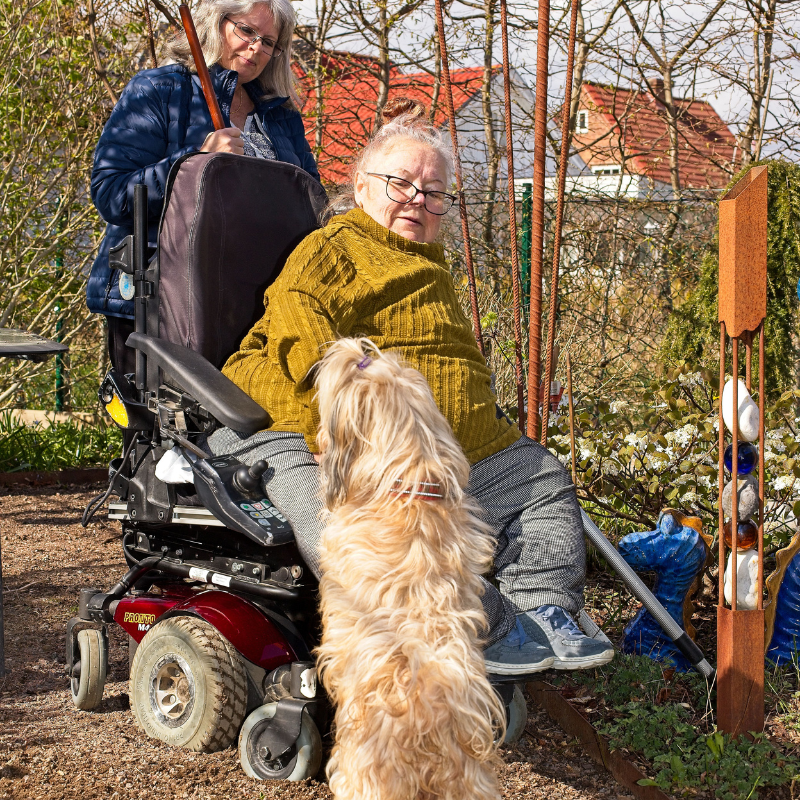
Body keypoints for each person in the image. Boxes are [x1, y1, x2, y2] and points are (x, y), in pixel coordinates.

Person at [209, 98, 614, 675]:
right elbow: (307, 339)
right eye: (401, 184)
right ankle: (486, 623)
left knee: (541, 478)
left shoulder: (429, 264)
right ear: (361, 185)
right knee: (374, 529)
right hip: (347, 437)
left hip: (459, 450)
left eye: (434, 193)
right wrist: (347, 423)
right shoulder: (334, 249)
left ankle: (543, 612)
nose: (417, 201)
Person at [88, 0, 319, 375]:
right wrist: (194, 159)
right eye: (247, 31)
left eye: (269, 42)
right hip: (163, 306)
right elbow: (112, 193)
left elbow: (312, 204)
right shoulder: (159, 90)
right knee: (163, 431)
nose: (257, 48)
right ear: (217, 22)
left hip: (259, 309)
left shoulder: (281, 116)